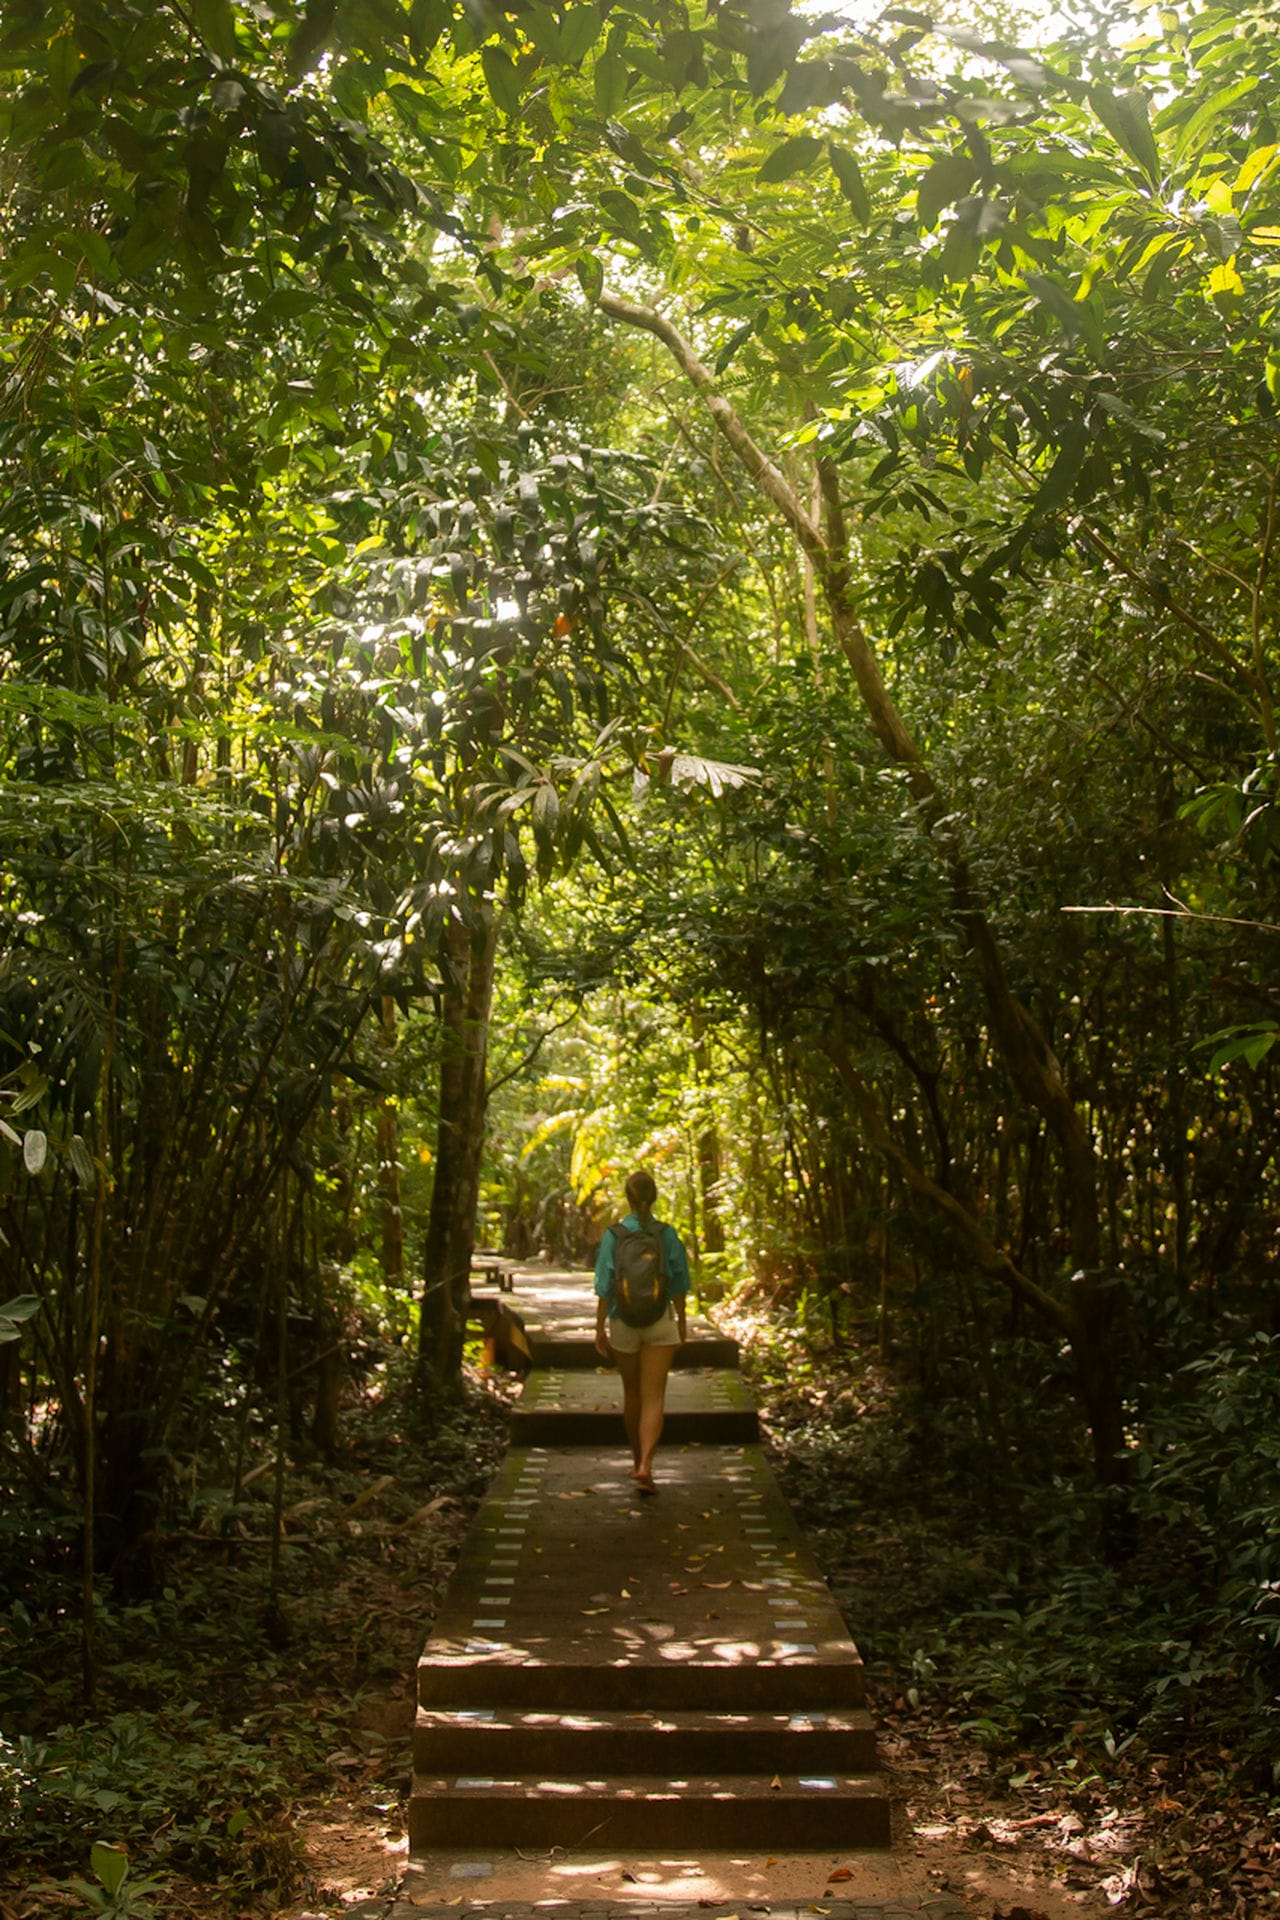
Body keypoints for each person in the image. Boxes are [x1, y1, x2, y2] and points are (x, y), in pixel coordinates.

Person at [593, 1170, 690, 1495]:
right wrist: (681, 1320)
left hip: (623, 1321)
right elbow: (679, 1280)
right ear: (655, 1196)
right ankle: (647, 1465)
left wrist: (599, 1326)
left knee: (631, 1393)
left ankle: (636, 1462)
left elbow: (604, 1284)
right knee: (654, 1397)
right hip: (660, 1320)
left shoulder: (614, 1235)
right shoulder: (667, 1234)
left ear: (629, 1198)